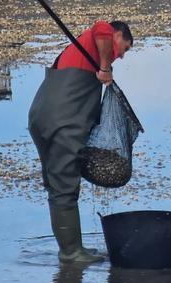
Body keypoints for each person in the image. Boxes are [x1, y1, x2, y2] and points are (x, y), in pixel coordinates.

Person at [28, 20, 133, 263]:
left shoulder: (89, 55)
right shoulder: (101, 36)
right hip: (60, 122)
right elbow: (102, 27)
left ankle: (74, 249)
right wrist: (106, 67)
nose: (122, 56)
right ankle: (71, 253)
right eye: (124, 48)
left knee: (59, 185)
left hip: (48, 118)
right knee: (63, 187)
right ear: (117, 35)